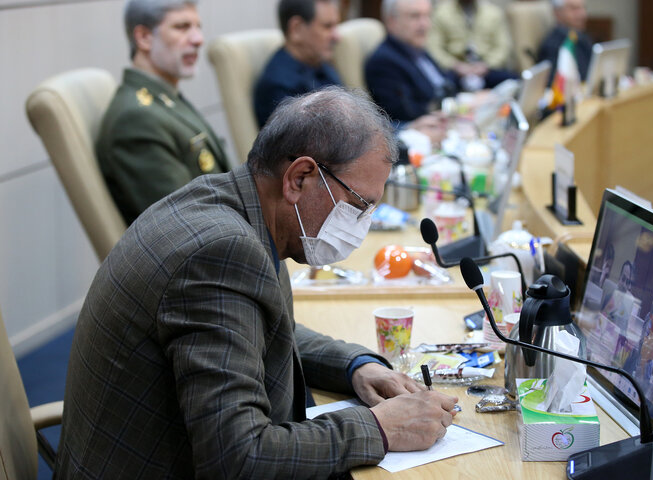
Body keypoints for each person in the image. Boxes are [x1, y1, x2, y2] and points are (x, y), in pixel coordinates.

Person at [55, 87, 458, 479]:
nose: (363, 223)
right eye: (359, 205)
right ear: (299, 178)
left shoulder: (232, 206)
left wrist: (356, 366)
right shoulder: (221, 253)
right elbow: (237, 457)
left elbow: (263, 328)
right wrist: (380, 428)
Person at [97, 0, 230, 225]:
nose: (198, 39)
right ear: (144, 37)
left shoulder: (164, 97)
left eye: (198, 27)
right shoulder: (137, 120)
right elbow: (187, 224)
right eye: (182, 27)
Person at [365, 0, 514, 124]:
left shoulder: (416, 50)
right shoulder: (384, 62)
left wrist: (472, 96)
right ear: (392, 21)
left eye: (427, 16)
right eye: (415, 16)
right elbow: (411, 115)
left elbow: (443, 83)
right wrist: (465, 104)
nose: (425, 24)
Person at [254, 0, 342, 128]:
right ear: (296, 29)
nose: (337, 37)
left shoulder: (319, 63)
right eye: (327, 26)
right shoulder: (279, 86)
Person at [427, 0, 513, 78]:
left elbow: (503, 46)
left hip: (486, 69)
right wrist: (454, 65)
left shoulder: (493, 13)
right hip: (455, 70)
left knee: (512, 81)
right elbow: (434, 47)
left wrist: (486, 65)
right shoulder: (441, 13)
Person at [537, 0, 593, 85]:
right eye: (574, 9)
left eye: (583, 8)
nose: (583, 14)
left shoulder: (580, 37)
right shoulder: (553, 46)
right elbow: (554, 85)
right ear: (557, 12)